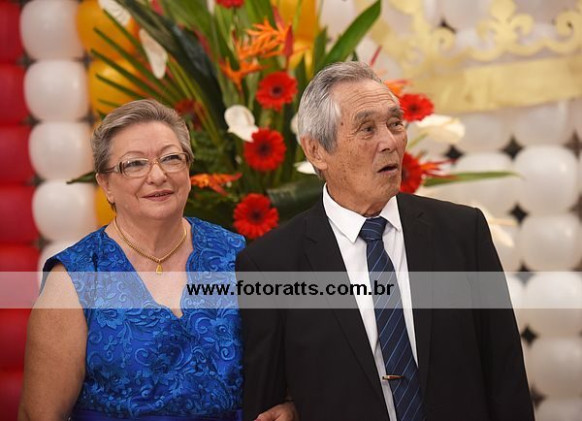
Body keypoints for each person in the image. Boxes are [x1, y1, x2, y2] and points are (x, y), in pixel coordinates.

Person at [236, 62, 534, 421]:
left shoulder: (461, 232)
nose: (390, 142)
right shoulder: (271, 264)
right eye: (367, 129)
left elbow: (505, 375)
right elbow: (268, 405)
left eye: (395, 123)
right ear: (316, 151)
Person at [19, 99, 296, 421]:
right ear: (106, 184)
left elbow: (287, 369)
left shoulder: (236, 256)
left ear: (188, 169)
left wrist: (291, 407)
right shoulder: (75, 277)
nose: (158, 175)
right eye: (135, 164)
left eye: (171, 158)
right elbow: (39, 415)